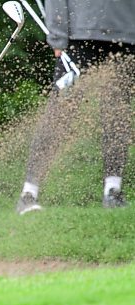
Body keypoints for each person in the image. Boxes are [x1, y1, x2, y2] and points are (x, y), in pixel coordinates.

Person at [16, 0, 135, 214]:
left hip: (126, 35)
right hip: (80, 38)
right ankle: (29, 193)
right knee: (59, 115)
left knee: (117, 115)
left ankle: (113, 191)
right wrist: (58, 36)